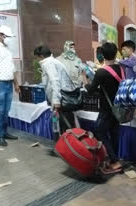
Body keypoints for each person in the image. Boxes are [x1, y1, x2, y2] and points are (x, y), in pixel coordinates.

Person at [83, 42, 123, 173]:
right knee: (114, 133)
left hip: (107, 108)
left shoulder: (101, 72)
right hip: (118, 107)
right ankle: (114, 159)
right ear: (116, 53)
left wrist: (84, 78)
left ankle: (115, 160)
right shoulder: (120, 68)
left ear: (102, 55)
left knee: (99, 130)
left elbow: (90, 89)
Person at [34, 45, 79, 139]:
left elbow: (55, 81)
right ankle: (68, 147)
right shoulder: (53, 61)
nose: (37, 60)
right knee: (65, 124)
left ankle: (69, 148)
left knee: (65, 125)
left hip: (61, 99)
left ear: (41, 56)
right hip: (64, 97)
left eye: (36, 57)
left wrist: (56, 101)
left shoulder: (48, 63)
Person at [56, 41, 85, 132]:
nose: (72, 49)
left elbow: (81, 74)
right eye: (70, 46)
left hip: (75, 93)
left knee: (74, 116)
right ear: (65, 47)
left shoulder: (78, 60)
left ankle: (74, 137)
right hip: (64, 93)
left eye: (73, 47)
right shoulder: (58, 60)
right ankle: (66, 138)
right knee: (65, 118)